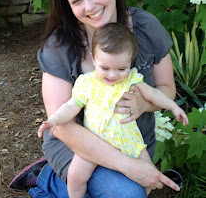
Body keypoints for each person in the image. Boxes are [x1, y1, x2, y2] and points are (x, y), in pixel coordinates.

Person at [9, 0, 181, 198]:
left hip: (129, 140)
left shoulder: (145, 28)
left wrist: (143, 103)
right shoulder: (60, 47)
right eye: (76, 0)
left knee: (131, 190)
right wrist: (130, 168)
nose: (89, 6)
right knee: (128, 194)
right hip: (76, 146)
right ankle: (49, 180)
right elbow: (62, 128)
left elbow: (167, 87)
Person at [37, 23, 188, 198]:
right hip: (96, 141)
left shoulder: (132, 80)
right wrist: (54, 119)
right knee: (76, 176)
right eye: (105, 68)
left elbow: (154, 95)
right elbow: (71, 106)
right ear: (94, 59)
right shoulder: (88, 83)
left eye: (121, 69)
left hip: (129, 141)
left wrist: (173, 107)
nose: (112, 75)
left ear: (130, 62)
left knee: (148, 179)